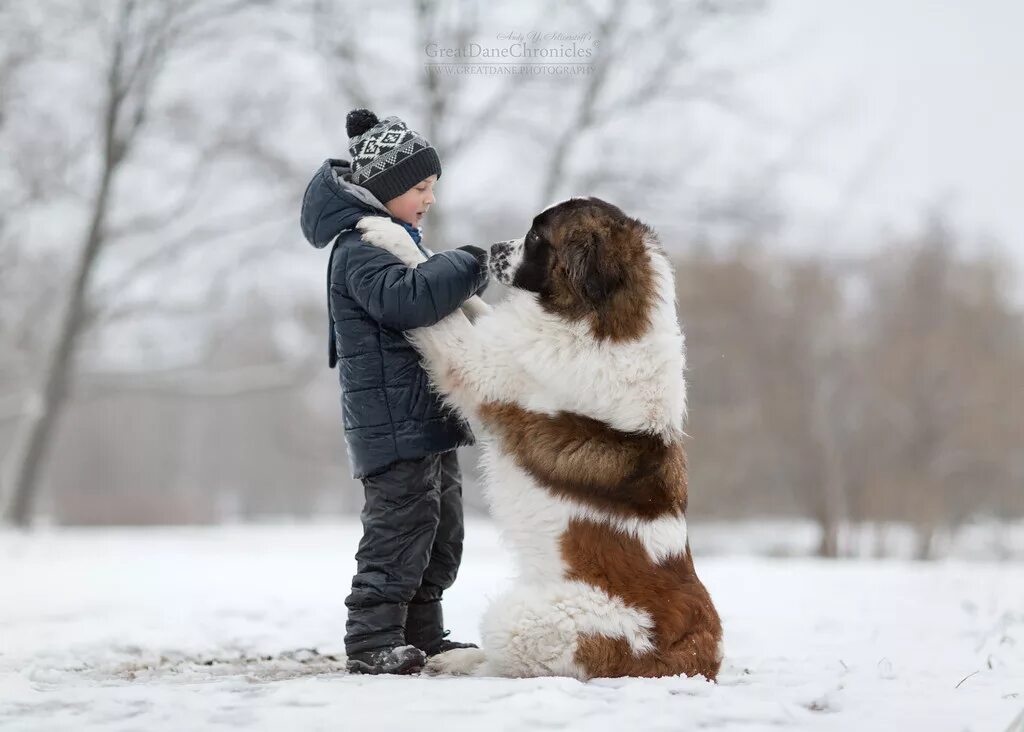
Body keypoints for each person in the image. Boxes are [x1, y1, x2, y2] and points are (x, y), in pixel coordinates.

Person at [299, 109, 488, 675]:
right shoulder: (361, 249)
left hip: (425, 418)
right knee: (399, 528)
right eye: (420, 187)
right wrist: (470, 263)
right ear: (386, 189)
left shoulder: (396, 244)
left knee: (442, 526)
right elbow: (408, 299)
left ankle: (423, 632)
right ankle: (372, 637)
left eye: (433, 187)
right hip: (391, 423)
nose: (429, 198)